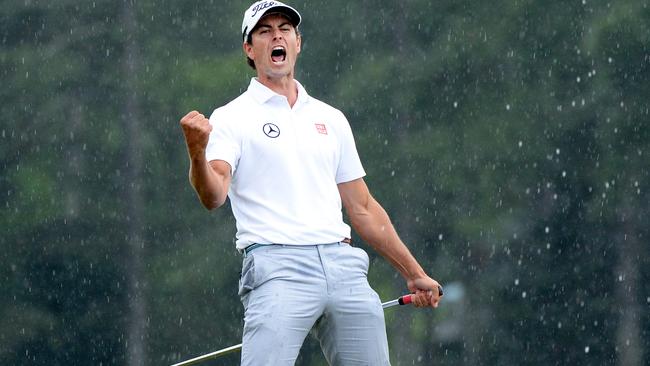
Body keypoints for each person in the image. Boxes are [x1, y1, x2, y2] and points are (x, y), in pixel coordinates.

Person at [179, 1, 443, 365]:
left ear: (298, 42)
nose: (277, 36)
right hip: (275, 267)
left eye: (285, 29)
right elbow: (214, 195)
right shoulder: (231, 117)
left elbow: (362, 208)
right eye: (264, 30)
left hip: (343, 264)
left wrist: (415, 274)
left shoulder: (330, 118)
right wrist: (197, 152)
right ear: (249, 49)